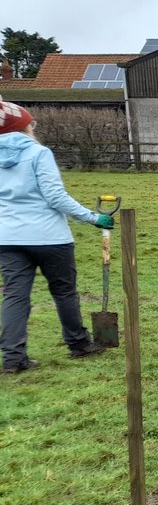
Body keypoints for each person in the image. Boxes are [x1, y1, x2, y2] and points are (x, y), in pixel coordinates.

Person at [0, 100, 112, 373]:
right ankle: (79, 344)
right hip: (49, 236)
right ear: (24, 126)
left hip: (7, 238)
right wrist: (93, 217)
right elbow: (55, 196)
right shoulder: (38, 153)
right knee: (64, 291)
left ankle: (13, 358)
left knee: (15, 296)